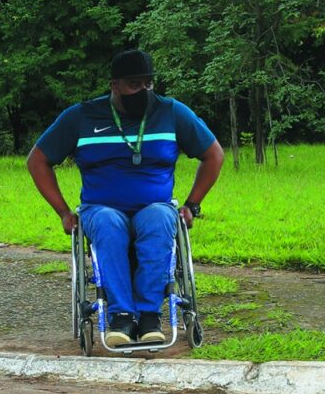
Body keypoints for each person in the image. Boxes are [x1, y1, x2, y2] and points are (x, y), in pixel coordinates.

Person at [27, 49, 224, 347]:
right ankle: (120, 316)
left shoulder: (170, 112)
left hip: (154, 206)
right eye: (134, 85)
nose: (143, 92)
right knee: (107, 223)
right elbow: (37, 160)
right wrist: (63, 212)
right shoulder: (81, 116)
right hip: (100, 207)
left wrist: (192, 205)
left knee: (159, 219)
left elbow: (213, 155)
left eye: (148, 84)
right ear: (115, 85)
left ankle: (148, 316)